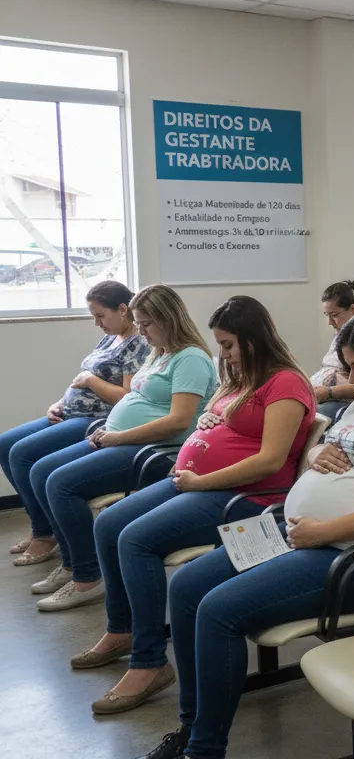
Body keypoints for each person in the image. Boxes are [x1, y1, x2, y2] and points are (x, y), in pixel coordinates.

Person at [128, 308, 354, 759]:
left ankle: (204, 749)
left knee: (219, 611)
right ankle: (191, 725)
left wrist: (323, 532)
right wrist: (318, 454)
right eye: (349, 368)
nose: (352, 380)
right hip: (298, 534)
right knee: (185, 586)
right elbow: (326, 445)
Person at [74, 295, 315, 715]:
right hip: (197, 482)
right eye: (220, 344)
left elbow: (270, 460)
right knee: (109, 524)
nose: (224, 354)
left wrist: (201, 479)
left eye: (228, 345)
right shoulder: (242, 376)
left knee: (135, 540)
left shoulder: (286, 384)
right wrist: (209, 420)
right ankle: (122, 629)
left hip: (243, 498)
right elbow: (217, 415)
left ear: (254, 340)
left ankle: (148, 661)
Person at [24, 284, 217, 611]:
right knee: (41, 470)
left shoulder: (191, 359)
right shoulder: (160, 352)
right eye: (138, 323)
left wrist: (119, 437)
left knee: (60, 484)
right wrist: (110, 429)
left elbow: (178, 422)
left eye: (146, 324)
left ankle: (87, 577)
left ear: (168, 319)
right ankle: (72, 563)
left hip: (154, 451)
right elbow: (136, 398)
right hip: (121, 438)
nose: (141, 331)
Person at [2, 281, 149, 561]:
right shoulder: (110, 337)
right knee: (5, 444)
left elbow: (127, 396)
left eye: (100, 316)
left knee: (22, 454)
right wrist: (60, 402)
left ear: (122, 309)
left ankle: (44, 533)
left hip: (96, 420)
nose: (97, 323)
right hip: (70, 411)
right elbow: (83, 376)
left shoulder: (138, 344)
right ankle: (42, 527)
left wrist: (90, 381)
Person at [311, 280, 354, 421]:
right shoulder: (341, 333)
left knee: (303, 414)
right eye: (327, 315)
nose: (330, 322)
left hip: (343, 402)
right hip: (326, 398)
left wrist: (329, 392)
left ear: (352, 309)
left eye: (334, 315)